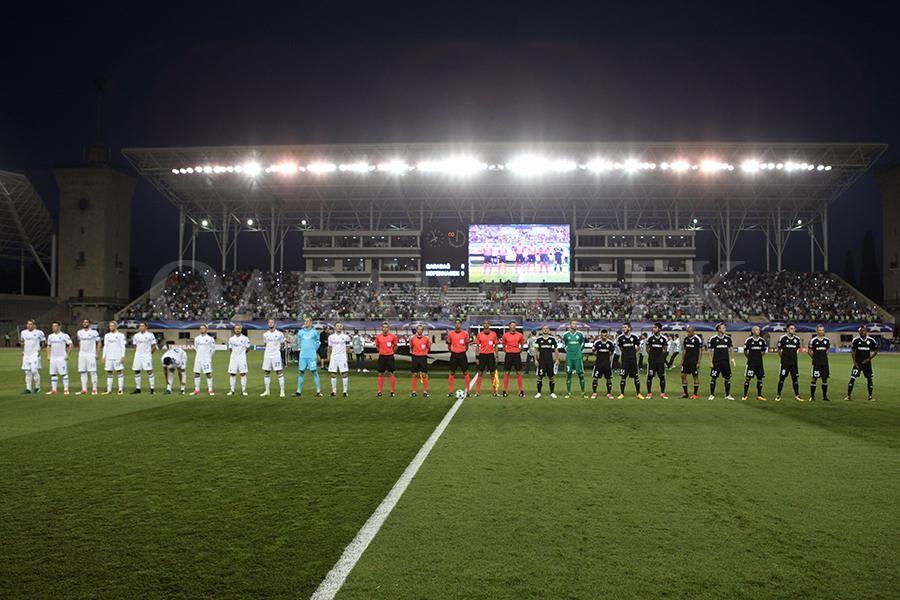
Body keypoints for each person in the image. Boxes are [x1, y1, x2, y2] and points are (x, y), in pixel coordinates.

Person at [845, 325, 879, 401]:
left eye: (864, 331)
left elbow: (876, 350)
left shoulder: (871, 340)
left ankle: (870, 397)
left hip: (867, 364)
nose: (862, 332)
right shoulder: (856, 340)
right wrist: (855, 362)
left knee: (869, 379)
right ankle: (848, 396)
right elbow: (853, 352)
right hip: (858, 363)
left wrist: (869, 359)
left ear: (866, 331)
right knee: (852, 378)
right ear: (859, 332)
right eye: (861, 331)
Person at [775, 323, 803, 402]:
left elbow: (797, 349)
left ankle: (797, 395)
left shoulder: (797, 339)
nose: (793, 330)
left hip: (794, 363)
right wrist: (784, 358)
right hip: (785, 363)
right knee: (782, 379)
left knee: (795, 379)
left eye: (794, 328)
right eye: (791, 328)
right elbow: (779, 350)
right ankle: (778, 395)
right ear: (787, 329)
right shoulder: (782, 338)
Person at [707, 322, 735, 400]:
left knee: (727, 378)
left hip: (725, 362)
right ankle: (712, 395)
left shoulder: (728, 338)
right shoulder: (713, 339)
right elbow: (709, 351)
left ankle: (727, 395)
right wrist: (710, 362)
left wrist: (732, 359)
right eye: (723, 328)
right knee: (713, 378)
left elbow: (731, 349)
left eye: (725, 328)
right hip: (716, 362)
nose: (725, 329)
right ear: (719, 329)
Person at [295, 317, 322, 397]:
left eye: (307, 321)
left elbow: (318, 342)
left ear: (311, 322)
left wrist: (313, 350)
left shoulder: (315, 332)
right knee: (301, 372)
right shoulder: (300, 332)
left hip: (311, 355)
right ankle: (298, 391)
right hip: (303, 355)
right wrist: (301, 348)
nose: (305, 322)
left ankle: (318, 391)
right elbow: (298, 342)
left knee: (314, 372)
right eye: (305, 321)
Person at [617, 322, 643, 399]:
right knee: (623, 377)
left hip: (633, 361)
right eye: (623, 327)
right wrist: (626, 353)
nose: (623, 329)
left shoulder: (634, 337)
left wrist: (632, 353)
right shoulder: (620, 338)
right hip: (624, 361)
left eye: (625, 327)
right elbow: (621, 348)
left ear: (629, 328)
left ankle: (638, 394)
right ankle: (622, 394)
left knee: (636, 377)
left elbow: (638, 347)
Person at [46, 321, 73, 395]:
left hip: (61, 358)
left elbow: (70, 345)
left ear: (59, 327)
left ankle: (66, 389)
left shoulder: (64, 335)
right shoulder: (50, 336)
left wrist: (68, 354)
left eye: (55, 326)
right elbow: (48, 345)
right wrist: (48, 355)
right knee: (53, 373)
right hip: (53, 358)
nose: (53, 328)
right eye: (53, 326)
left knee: (64, 373)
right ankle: (54, 390)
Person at [261, 318, 286, 397]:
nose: (270, 324)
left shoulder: (280, 334)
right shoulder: (265, 334)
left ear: (275, 324)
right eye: (269, 322)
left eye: (272, 322)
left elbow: (282, 344)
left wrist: (277, 350)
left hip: (276, 355)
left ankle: (282, 391)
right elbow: (265, 344)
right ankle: (267, 391)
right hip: (267, 355)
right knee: (266, 372)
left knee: (279, 372)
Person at [19, 319, 45, 394]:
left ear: (34, 325)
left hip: (35, 354)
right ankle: (28, 388)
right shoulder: (23, 332)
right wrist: (22, 351)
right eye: (28, 324)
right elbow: (22, 342)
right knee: (27, 372)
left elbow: (43, 342)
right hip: (26, 355)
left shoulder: (39, 332)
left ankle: (37, 387)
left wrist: (40, 350)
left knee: (34, 370)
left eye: (30, 324)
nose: (29, 326)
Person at [533, 325, 559, 399]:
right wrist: (535, 360)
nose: (545, 330)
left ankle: (552, 393)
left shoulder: (552, 339)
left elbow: (556, 350)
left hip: (550, 361)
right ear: (541, 330)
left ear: (549, 330)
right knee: (540, 377)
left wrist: (557, 359)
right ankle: (539, 393)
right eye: (544, 329)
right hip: (541, 362)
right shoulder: (538, 339)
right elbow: (535, 350)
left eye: (547, 329)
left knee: (551, 377)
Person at [131, 322, 158, 394]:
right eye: (140, 326)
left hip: (146, 355)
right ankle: (138, 389)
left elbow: (154, 346)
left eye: (142, 326)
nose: (141, 327)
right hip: (138, 355)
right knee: (136, 371)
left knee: (149, 371)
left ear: (146, 327)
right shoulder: (136, 335)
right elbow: (135, 346)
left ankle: (152, 389)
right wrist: (137, 353)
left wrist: (149, 354)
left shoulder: (150, 335)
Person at [75, 319, 101, 395]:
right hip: (82, 354)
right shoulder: (79, 332)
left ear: (89, 324)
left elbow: (99, 343)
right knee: (82, 371)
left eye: (86, 322)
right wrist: (80, 351)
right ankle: (84, 389)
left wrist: (97, 353)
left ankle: (94, 389)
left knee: (92, 371)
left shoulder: (94, 332)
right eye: (84, 322)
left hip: (91, 354)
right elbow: (80, 342)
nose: (85, 323)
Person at [742, 325, 767, 401]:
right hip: (751, 364)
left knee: (760, 379)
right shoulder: (748, 340)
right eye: (756, 330)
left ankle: (759, 395)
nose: (758, 331)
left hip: (759, 364)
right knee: (748, 379)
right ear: (752, 331)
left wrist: (758, 357)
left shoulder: (762, 341)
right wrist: (750, 358)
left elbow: (763, 351)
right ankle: (745, 395)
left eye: (759, 330)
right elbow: (745, 351)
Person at [562, 320, 586, 398]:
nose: (575, 325)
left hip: (578, 357)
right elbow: (564, 344)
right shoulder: (565, 335)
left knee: (580, 374)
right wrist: (568, 351)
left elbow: (583, 344)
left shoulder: (581, 334)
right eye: (573, 324)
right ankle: (568, 393)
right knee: (568, 374)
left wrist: (578, 351)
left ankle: (583, 392)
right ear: (570, 325)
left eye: (576, 324)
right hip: (569, 357)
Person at [474, 321, 499, 397]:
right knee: (480, 373)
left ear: (489, 325)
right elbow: (477, 346)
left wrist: (497, 356)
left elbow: (496, 346)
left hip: (491, 355)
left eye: (487, 323)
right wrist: (477, 357)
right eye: (484, 323)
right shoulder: (479, 334)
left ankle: (495, 391)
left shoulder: (493, 334)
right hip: (482, 355)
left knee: (493, 373)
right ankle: (477, 391)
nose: (486, 325)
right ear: (483, 325)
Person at [446, 319, 471, 397]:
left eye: (459, 323)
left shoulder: (465, 334)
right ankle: (450, 391)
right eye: (456, 323)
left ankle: (468, 391)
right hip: (454, 355)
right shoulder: (450, 334)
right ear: (454, 324)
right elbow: (449, 345)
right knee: (452, 373)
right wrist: (453, 351)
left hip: (462, 355)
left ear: (461, 324)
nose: (457, 325)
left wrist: (461, 350)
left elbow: (467, 346)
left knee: (466, 372)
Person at [501, 321, 525, 397]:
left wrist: (518, 350)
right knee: (507, 372)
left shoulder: (520, 335)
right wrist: (508, 351)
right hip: (508, 355)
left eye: (514, 325)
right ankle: (505, 391)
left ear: (516, 327)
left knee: (519, 372)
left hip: (516, 355)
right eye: (512, 325)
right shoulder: (505, 335)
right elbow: (503, 346)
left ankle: (521, 391)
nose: (513, 326)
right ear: (509, 327)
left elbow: (522, 345)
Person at [191, 323, 216, 396]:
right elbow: (196, 348)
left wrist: (209, 357)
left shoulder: (210, 339)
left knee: (208, 374)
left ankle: (210, 390)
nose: (202, 329)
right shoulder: (196, 338)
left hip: (206, 359)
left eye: (203, 328)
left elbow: (213, 349)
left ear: (206, 329)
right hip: (198, 358)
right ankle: (197, 390)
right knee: (196, 373)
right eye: (201, 328)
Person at [102, 320, 127, 395]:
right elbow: (105, 346)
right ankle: (109, 390)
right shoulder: (107, 335)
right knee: (109, 372)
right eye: (110, 326)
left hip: (117, 356)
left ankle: (120, 389)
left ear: (116, 326)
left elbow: (123, 346)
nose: (111, 327)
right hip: (109, 357)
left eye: (112, 326)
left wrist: (123, 356)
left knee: (119, 372)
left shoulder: (120, 335)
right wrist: (103, 356)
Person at [375, 321, 398, 397]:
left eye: (386, 327)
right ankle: (379, 391)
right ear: (382, 328)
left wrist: (392, 352)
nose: (385, 329)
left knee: (391, 373)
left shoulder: (393, 336)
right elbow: (377, 346)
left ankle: (392, 391)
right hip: (382, 356)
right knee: (380, 373)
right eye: (383, 327)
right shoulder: (378, 337)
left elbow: (395, 345)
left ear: (388, 328)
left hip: (390, 356)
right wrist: (381, 351)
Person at [328, 321, 352, 397]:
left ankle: (345, 391)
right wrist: (334, 354)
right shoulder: (331, 337)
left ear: (342, 327)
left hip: (342, 357)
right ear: (335, 327)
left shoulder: (346, 337)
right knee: (333, 374)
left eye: (340, 326)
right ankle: (334, 391)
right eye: (337, 326)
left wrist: (343, 353)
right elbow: (330, 347)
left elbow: (348, 347)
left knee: (344, 373)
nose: (339, 327)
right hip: (334, 357)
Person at [808, 324, 831, 401]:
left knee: (825, 379)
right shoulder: (813, 340)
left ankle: (824, 396)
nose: (821, 332)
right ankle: (812, 397)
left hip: (825, 363)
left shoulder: (827, 340)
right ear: (817, 331)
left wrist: (824, 356)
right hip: (816, 363)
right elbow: (809, 351)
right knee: (814, 379)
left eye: (822, 330)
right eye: (820, 330)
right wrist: (815, 358)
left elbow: (828, 349)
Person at [645, 322, 668, 399]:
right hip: (652, 361)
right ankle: (649, 393)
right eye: (653, 327)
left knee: (662, 377)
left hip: (660, 362)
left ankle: (662, 393)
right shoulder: (650, 338)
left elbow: (665, 350)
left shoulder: (664, 339)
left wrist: (660, 356)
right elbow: (647, 349)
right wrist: (652, 355)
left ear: (659, 329)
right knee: (650, 377)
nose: (653, 329)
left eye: (655, 327)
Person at [591, 329, 615, 399]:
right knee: (595, 378)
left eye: (605, 335)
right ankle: (594, 393)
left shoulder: (610, 343)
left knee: (608, 378)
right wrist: (599, 357)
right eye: (603, 335)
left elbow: (611, 352)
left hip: (607, 363)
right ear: (600, 335)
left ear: (607, 335)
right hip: (598, 363)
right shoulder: (597, 342)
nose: (604, 336)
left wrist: (605, 357)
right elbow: (594, 351)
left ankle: (609, 393)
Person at [227, 323, 250, 396]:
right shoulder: (231, 339)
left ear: (241, 329)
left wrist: (242, 354)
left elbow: (248, 348)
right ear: (234, 330)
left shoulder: (245, 338)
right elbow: (230, 349)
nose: (237, 330)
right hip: (233, 358)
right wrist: (234, 354)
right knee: (232, 374)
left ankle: (244, 390)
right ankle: (232, 390)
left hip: (242, 358)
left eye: (239, 329)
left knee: (243, 374)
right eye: (236, 329)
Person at [680, 327, 703, 399]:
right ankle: (685, 393)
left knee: (695, 376)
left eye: (689, 332)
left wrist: (698, 362)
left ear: (693, 331)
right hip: (686, 361)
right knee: (683, 376)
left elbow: (700, 351)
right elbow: (684, 350)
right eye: (687, 331)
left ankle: (695, 394)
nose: (688, 333)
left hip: (694, 361)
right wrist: (682, 359)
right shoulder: (686, 339)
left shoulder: (697, 339)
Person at [409, 324, 431, 397]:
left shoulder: (426, 339)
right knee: (414, 374)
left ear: (423, 330)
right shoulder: (412, 338)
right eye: (418, 329)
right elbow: (411, 347)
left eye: (421, 329)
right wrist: (416, 353)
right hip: (415, 357)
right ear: (416, 330)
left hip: (423, 358)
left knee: (424, 374)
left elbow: (428, 347)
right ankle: (414, 391)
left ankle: (425, 391)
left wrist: (424, 353)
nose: (420, 330)